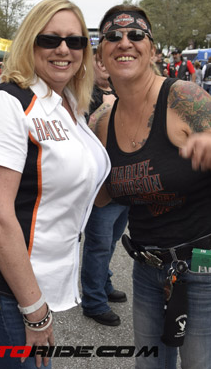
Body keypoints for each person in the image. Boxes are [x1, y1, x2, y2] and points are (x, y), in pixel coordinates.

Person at [93, 4, 211, 369]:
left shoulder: (183, 98)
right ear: (100, 56)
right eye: (113, 36)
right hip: (149, 267)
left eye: (136, 35)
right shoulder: (103, 123)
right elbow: (102, 197)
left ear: (152, 50)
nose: (125, 42)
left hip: (209, 264)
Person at [0, 0, 110, 369]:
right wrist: (34, 310)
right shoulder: (5, 103)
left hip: (34, 279)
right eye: (50, 39)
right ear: (28, 43)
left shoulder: (68, 104)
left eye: (75, 41)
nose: (64, 49)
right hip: (0, 282)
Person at [81, 44, 129, 327]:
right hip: (101, 184)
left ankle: (103, 282)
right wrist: (107, 107)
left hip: (124, 183)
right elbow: (83, 133)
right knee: (98, 244)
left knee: (111, 240)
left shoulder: (122, 91)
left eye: (107, 61)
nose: (104, 66)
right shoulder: (84, 94)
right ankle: (93, 301)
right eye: (99, 62)